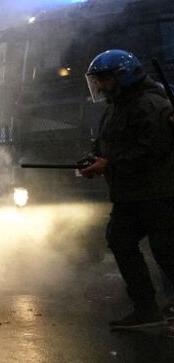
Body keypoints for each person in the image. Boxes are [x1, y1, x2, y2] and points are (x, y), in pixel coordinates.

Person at [79, 49, 174, 329]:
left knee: (166, 252)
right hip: (131, 194)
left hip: (159, 192)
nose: (100, 87)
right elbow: (106, 141)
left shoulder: (149, 103)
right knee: (120, 241)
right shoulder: (118, 104)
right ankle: (146, 309)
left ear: (124, 75)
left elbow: (153, 148)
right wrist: (95, 158)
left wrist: (110, 163)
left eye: (104, 80)